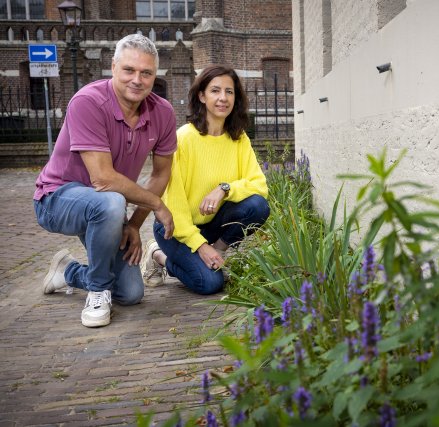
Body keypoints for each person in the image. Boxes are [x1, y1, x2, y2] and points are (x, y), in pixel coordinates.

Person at [33, 34, 177, 328]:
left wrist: (134, 224)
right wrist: (156, 205)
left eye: (146, 73)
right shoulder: (88, 101)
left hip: (105, 207)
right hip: (57, 199)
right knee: (111, 202)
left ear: (154, 76)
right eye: (129, 70)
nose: (137, 80)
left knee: (131, 293)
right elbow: (101, 179)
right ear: (113, 67)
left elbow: (161, 173)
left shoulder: (162, 112)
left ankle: (68, 272)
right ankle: (97, 292)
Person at [140, 64, 270, 295]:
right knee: (210, 284)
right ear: (201, 96)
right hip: (176, 228)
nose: (223, 98)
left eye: (229, 92)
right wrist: (198, 246)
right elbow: (175, 206)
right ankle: (157, 256)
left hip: (212, 224)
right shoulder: (183, 139)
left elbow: (259, 186)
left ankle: (216, 250)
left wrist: (224, 189)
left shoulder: (238, 139)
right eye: (215, 91)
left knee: (257, 206)